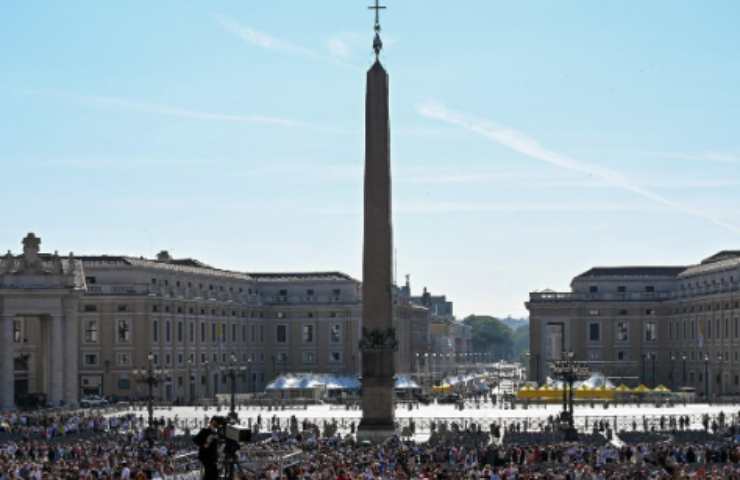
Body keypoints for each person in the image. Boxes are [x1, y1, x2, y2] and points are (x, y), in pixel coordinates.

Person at [193, 416, 222, 480]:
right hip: (206, 456)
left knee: (212, 474)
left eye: (217, 424)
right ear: (211, 423)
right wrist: (204, 444)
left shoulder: (216, 432)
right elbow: (195, 439)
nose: (215, 425)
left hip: (212, 457)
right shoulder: (205, 430)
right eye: (214, 423)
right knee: (211, 474)